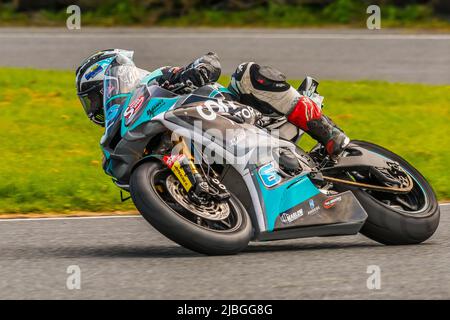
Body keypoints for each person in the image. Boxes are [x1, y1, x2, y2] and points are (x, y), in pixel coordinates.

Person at [76, 49, 349, 157]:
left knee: (247, 73)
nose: (95, 106)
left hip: (245, 116)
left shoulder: (156, 80)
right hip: (222, 149)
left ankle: (327, 132)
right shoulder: (127, 129)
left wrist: (197, 71)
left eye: (94, 97)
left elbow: (210, 60)